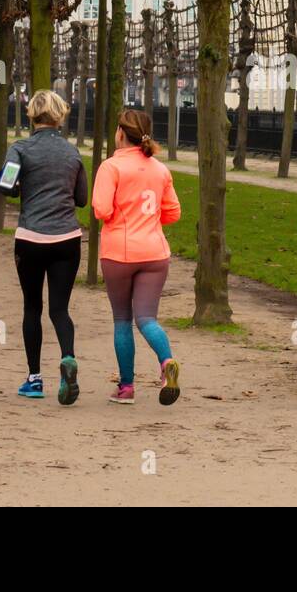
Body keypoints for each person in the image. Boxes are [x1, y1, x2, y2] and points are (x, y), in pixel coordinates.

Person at [0, 90, 88, 404]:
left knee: (32, 307)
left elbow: (5, 186)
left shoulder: (20, 149)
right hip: (67, 240)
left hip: (31, 239)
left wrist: (25, 187)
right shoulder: (72, 153)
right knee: (60, 309)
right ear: (59, 116)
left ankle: (34, 379)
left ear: (31, 116)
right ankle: (68, 357)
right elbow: (81, 199)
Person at [92, 108, 182, 406]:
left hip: (119, 251)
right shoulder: (160, 169)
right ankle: (166, 362)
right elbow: (173, 212)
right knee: (146, 318)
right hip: (155, 252)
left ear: (120, 132)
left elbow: (101, 211)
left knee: (122, 320)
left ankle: (127, 387)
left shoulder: (111, 167)